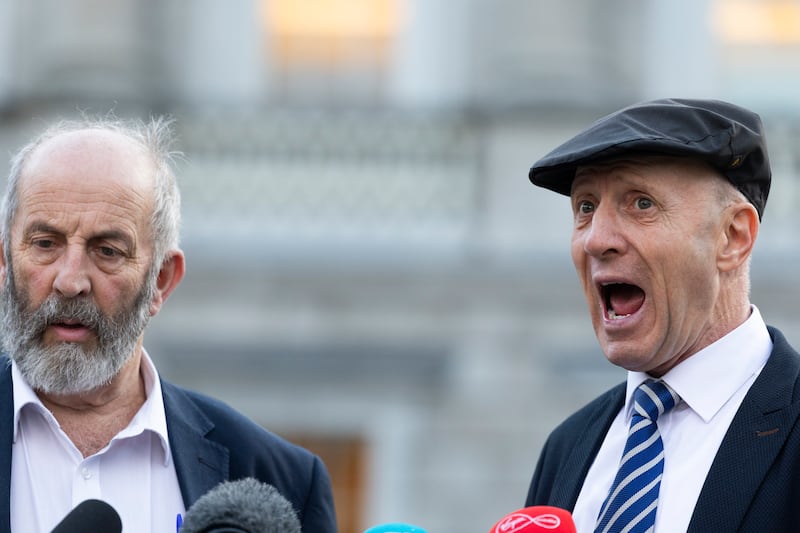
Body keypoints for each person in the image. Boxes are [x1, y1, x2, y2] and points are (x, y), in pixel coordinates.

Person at [0, 116, 337, 532]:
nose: (70, 281)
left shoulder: (280, 479)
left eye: (107, 250)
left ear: (161, 279)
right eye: (45, 244)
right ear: (4, 262)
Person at [524, 98, 800, 532]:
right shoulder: (567, 446)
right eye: (586, 207)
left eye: (641, 204)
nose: (597, 240)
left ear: (732, 237)